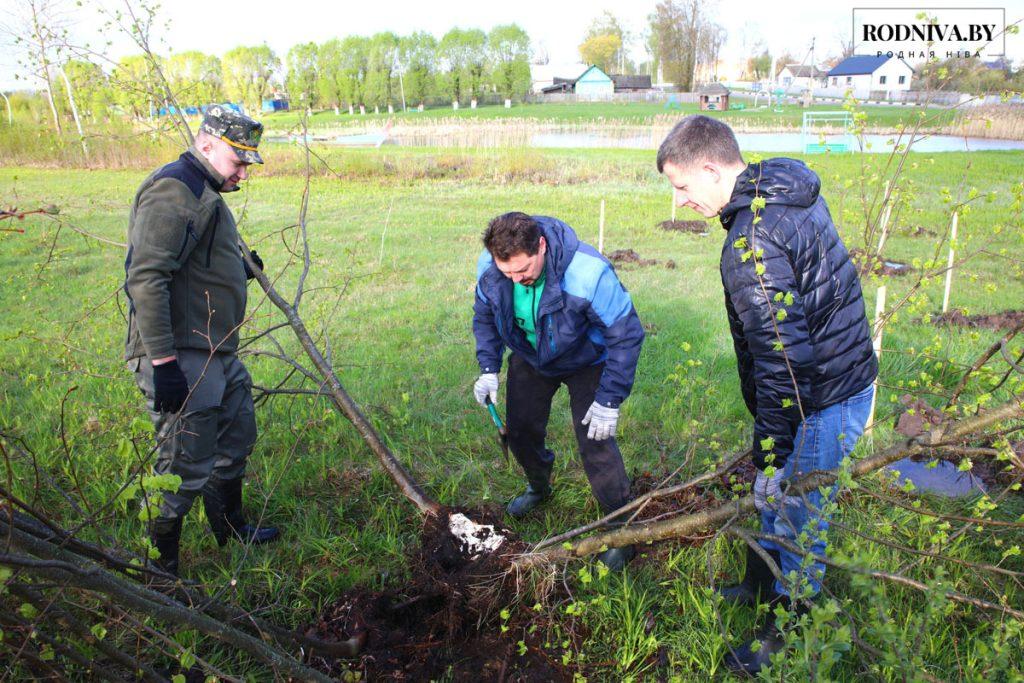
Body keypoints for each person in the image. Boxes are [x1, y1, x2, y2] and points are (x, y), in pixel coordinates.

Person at [655, 115, 877, 674]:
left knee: (799, 515)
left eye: (681, 186)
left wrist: (772, 454)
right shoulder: (787, 190)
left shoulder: (751, 241)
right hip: (842, 380)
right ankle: (761, 587)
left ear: (710, 169)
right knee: (780, 504)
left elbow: (784, 362)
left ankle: (786, 630)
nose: (678, 201)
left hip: (821, 398)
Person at [124, 104, 279, 578]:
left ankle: (230, 528)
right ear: (207, 145)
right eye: (239, 162)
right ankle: (159, 569)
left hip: (217, 349)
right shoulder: (176, 190)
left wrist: (241, 267)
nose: (244, 174)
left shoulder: (208, 189)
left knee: (237, 436)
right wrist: (164, 363)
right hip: (183, 355)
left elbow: (197, 264)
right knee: (184, 463)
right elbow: (147, 278)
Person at [471, 212, 645, 571]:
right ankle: (539, 487)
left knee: (595, 439)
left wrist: (609, 399)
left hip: (587, 359)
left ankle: (622, 528)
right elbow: (485, 317)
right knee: (521, 431)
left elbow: (625, 334)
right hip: (532, 356)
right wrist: (489, 368)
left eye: (524, 271)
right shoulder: (490, 269)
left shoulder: (587, 272)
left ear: (542, 247)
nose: (517, 281)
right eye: (509, 274)